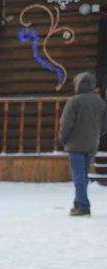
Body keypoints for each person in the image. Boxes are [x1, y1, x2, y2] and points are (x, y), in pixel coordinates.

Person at [59, 71, 107, 216]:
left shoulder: (74, 102)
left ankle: (84, 206)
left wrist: (63, 139)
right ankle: (78, 203)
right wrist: (96, 135)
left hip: (75, 144)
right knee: (83, 175)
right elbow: (104, 125)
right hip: (92, 143)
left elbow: (66, 124)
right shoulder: (101, 103)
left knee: (78, 176)